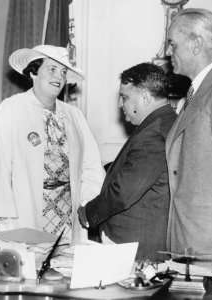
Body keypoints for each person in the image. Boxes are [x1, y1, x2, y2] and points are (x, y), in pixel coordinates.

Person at [0, 45, 105, 244]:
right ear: (34, 72)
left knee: (64, 268)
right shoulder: (12, 109)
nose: (59, 77)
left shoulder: (74, 115)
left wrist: (86, 203)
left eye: (63, 72)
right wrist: (3, 213)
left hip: (67, 214)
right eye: (52, 69)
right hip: (25, 209)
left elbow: (91, 165)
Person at [78, 63, 177, 260]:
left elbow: (124, 192)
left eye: (124, 97)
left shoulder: (154, 133)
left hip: (134, 244)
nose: (120, 104)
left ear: (145, 97)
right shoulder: (164, 122)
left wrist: (88, 213)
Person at [165, 8, 212, 262]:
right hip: (189, 242)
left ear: (195, 43)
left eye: (173, 44)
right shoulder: (198, 93)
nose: (168, 53)